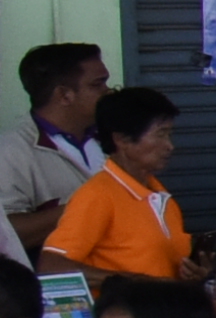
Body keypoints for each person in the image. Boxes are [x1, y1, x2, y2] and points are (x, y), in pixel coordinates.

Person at [39, 86, 188, 286]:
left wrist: (194, 274)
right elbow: (51, 267)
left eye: (170, 134)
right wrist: (135, 282)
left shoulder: (161, 197)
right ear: (121, 139)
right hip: (122, 313)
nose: (170, 145)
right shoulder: (98, 195)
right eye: (160, 134)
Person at [0, 42, 99, 258]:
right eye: (97, 84)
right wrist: (93, 204)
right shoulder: (11, 151)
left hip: (126, 280)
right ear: (64, 95)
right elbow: (7, 233)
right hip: (59, 285)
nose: (108, 91)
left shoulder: (114, 138)